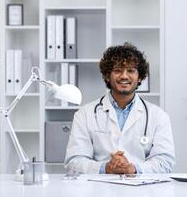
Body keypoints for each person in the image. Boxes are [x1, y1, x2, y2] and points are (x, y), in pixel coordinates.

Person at [64, 43, 175, 174]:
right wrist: (106, 167)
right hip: (99, 189)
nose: (124, 76)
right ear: (107, 75)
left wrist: (133, 169)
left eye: (131, 70)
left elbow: (165, 161)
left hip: (141, 190)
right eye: (117, 70)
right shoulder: (84, 114)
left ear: (140, 77)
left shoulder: (158, 116)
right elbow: (74, 161)